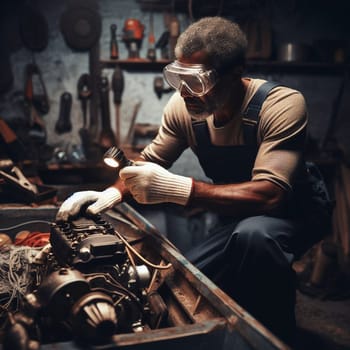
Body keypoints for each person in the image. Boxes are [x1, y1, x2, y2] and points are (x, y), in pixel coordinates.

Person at [57, 16, 331, 345]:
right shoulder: (183, 108)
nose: (186, 92)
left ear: (235, 72)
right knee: (178, 282)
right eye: (178, 78)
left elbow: (270, 195)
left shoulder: (281, 105)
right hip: (241, 218)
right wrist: (109, 195)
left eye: (197, 80)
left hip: (294, 212)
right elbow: (149, 161)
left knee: (254, 238)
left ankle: (276, 338)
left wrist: (179, 189)